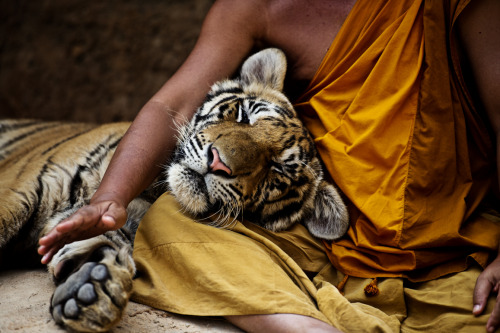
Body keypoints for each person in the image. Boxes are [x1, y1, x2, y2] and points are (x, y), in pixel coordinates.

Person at [38, 0, 500, 332]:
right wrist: (110, 200)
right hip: (328, 242)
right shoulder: (255, 7)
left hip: (458, 244)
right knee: (170, 223)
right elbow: (172, 105)